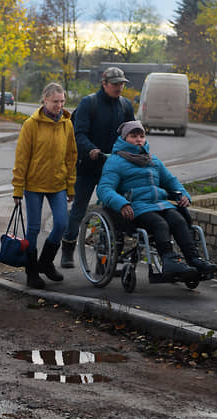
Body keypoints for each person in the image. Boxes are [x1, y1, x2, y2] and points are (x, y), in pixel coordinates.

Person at [96, 120, 217, 279]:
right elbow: (104, 189)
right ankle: (169, 261)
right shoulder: (115, 161)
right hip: (136, 207)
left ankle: (193, 259)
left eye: (142, 136)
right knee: (160, 224)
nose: (139, 139)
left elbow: (170, 181)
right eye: (134, 136)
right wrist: (122, 204)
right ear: (124, 138)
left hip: (159, 204)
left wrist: (183, 194)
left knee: (179, 220)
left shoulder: (152, 160)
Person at [60, 66, 135, 268]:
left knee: (111, 211)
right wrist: (91, 150)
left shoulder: (125, 106)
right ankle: (67, 248)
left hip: (113, 168)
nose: (119, 87)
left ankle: (103, 259)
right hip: (89, 166)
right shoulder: (89, 103)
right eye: (115, 84)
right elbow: (79, 133)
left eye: (121, 84)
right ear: (104, 84)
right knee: (79, 209)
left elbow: (133, 133)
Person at [11, 82, 77, 289]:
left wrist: (71, 185)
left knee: (61, 224)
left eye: (62, 101)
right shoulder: (31, 124)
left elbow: (71, 156)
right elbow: (22, 158)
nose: (59, 105)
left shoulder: (67, 124)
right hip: (33, 185)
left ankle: (46, 263)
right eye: (55, 101)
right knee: (33, 228)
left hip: (57, 184)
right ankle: (32, 271)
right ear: (45, 100)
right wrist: (18, 189)